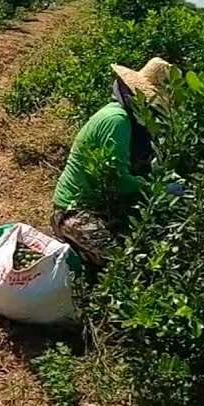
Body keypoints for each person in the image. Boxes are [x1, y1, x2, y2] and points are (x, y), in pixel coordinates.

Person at [51, 57, 185, 271]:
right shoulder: (118, 121)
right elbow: (118, 182)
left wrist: (168, 180)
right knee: (121, 265)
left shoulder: (131, 123)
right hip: (74, 210)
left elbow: (146, 166)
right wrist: (157, 190)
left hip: (103, 205)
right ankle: (74, 251)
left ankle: (82, 253)